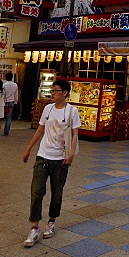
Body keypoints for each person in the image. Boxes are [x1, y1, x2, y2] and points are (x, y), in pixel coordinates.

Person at [22, 79, 81, 247]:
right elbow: (40, 129)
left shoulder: (72, 111)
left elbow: (75, 134)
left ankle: (52, 221)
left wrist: (71, 155)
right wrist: (28, 149)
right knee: (36, 191)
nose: (53, 93)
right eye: (52, 90)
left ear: (65, 93)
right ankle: (34, 227)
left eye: (56, 90)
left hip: (60, 159)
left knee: (57, 191)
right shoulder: (47, 109)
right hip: (43, 155)